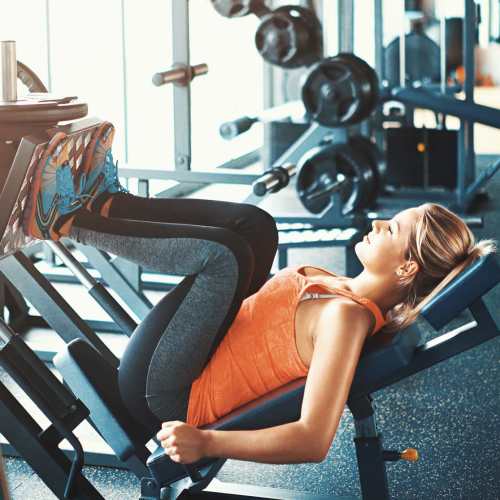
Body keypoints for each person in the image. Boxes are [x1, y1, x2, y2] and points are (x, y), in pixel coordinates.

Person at [23, 124, 496, 466]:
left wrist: (207, 444)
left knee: (224, 257)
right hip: (200, 358)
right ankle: (106, 202)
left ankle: (69, 224)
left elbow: (313, 439)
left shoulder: (347, 319)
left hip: (169, 395)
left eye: (391, 228)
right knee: (255, 227)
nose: (376, 224)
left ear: (407, 266)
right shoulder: (341, 289)